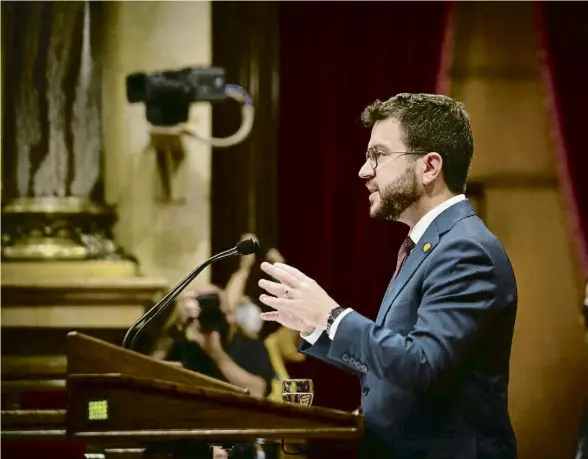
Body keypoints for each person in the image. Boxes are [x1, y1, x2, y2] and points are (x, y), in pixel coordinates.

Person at [257, 93, 518, 458]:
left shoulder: (465, 250)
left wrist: (333, 316)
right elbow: (393, 362)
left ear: (429, 167)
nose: (364, 171)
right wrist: (316, 326)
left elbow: (423, 366)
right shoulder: (428, 244)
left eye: (378, 155)